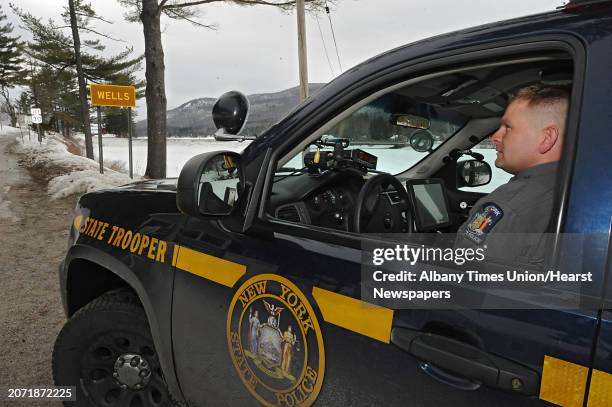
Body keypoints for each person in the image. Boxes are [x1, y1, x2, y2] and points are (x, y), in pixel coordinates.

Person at [456, 84, 570, 266]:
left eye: (508, 127)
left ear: (546, 138)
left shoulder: (508, 206)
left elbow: (462, 274)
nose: (495, 137)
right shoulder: (570, 183)